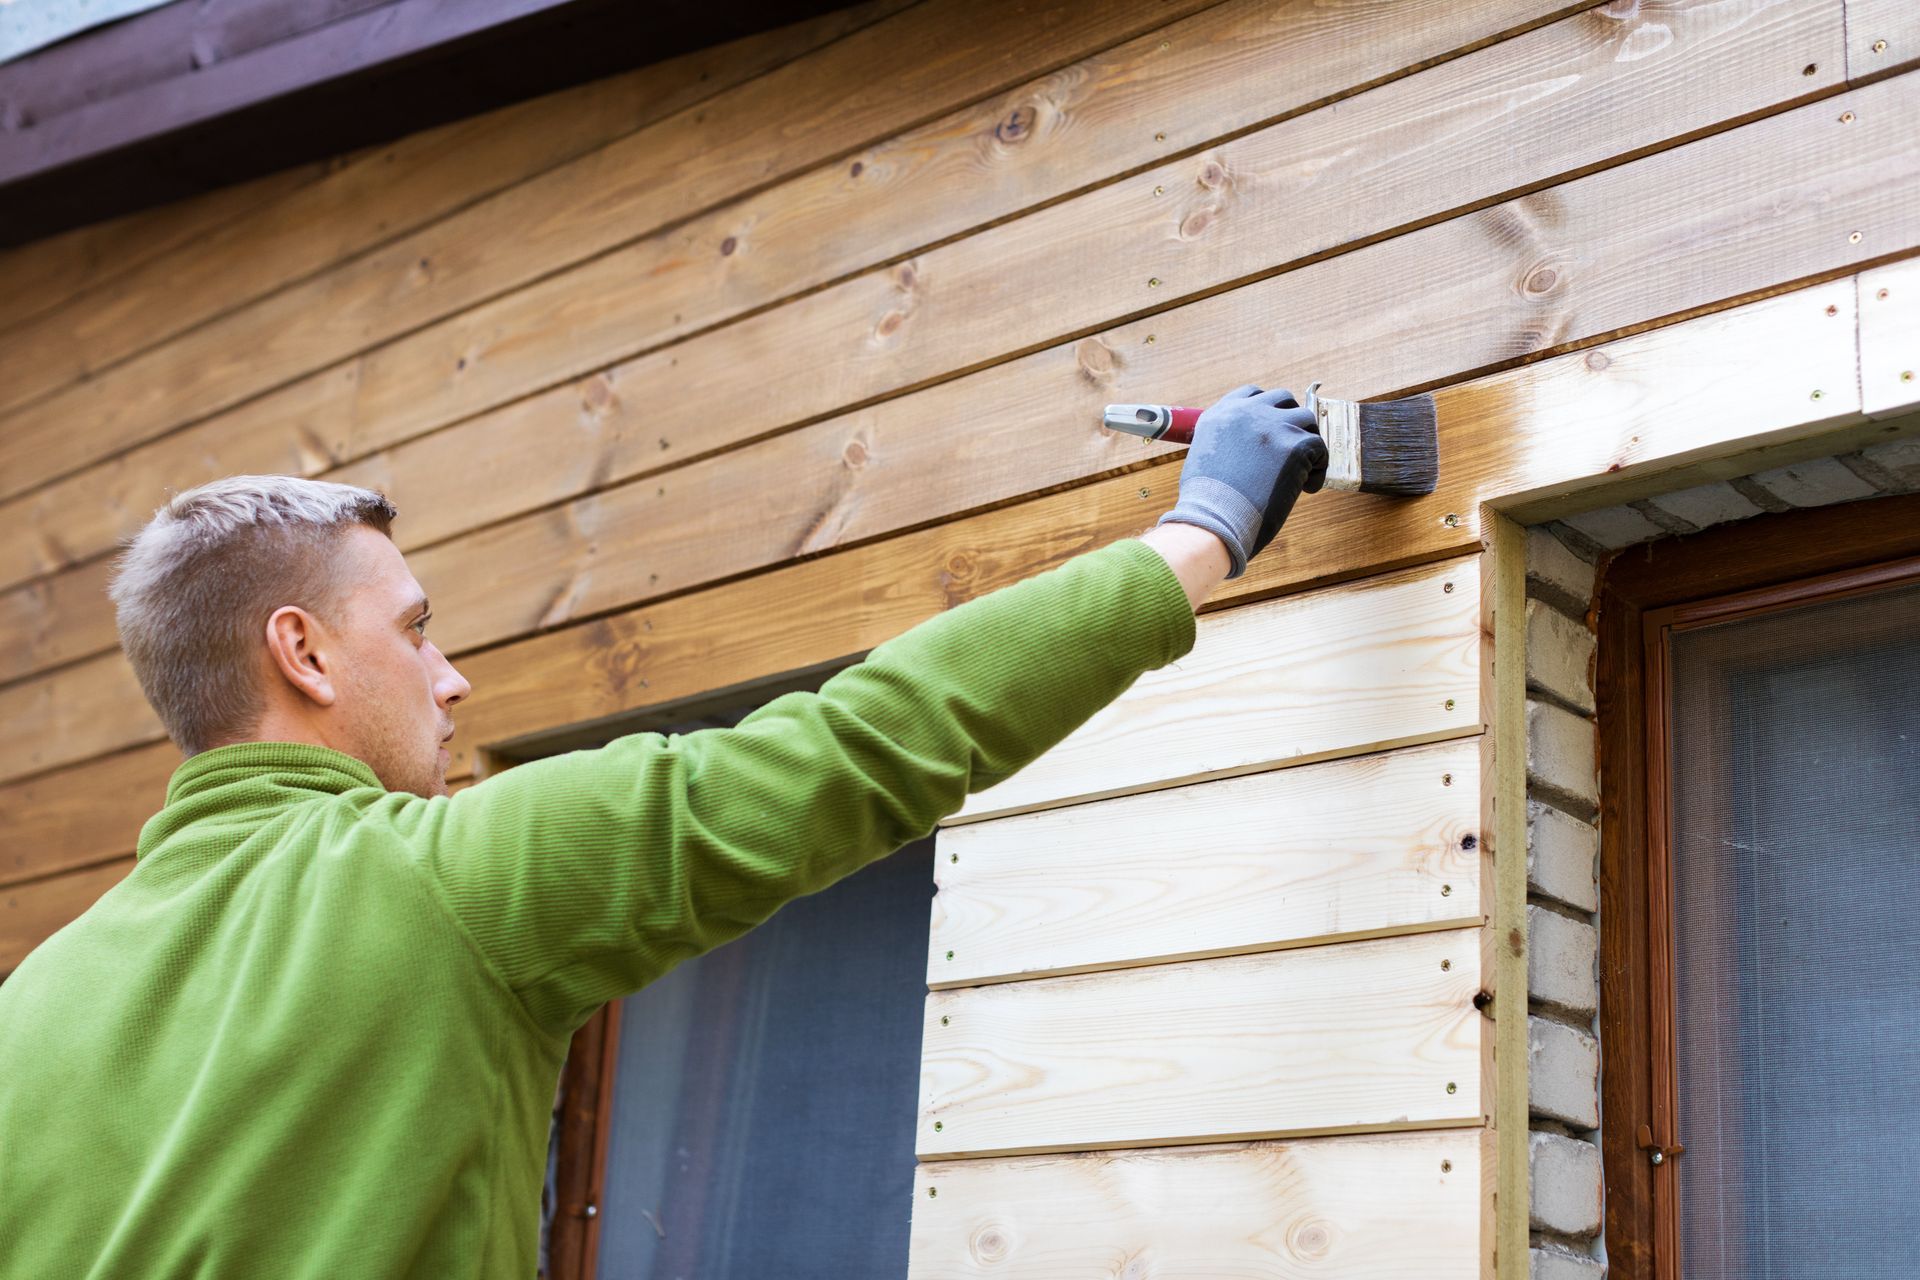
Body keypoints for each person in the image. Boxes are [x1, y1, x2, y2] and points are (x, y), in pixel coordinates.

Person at [0, 386, 1326, 1277]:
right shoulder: (449, 882)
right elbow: (858, 747)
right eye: (413, 628)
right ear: (302, 653)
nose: (451, 676)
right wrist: (1201, 533)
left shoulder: (29, 1012)